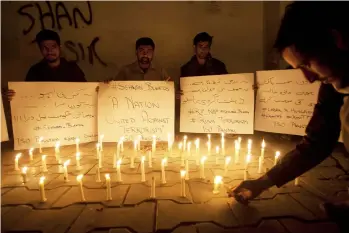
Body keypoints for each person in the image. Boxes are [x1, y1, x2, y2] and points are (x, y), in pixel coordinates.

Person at [228, 2, 349, 231]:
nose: (308, 79)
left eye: (306, 64)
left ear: (337, 39)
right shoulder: (333, 86)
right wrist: (263, 182)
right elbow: (317, 142)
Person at [3, 29, 86, 101]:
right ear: (40, 50)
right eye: (45, 48)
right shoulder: (35, 71)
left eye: (53, 47)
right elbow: (26, 95)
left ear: (59, 47)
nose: (49, 51)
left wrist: (97, 90)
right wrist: (13, 95)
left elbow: (86, 91)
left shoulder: (72, 68)